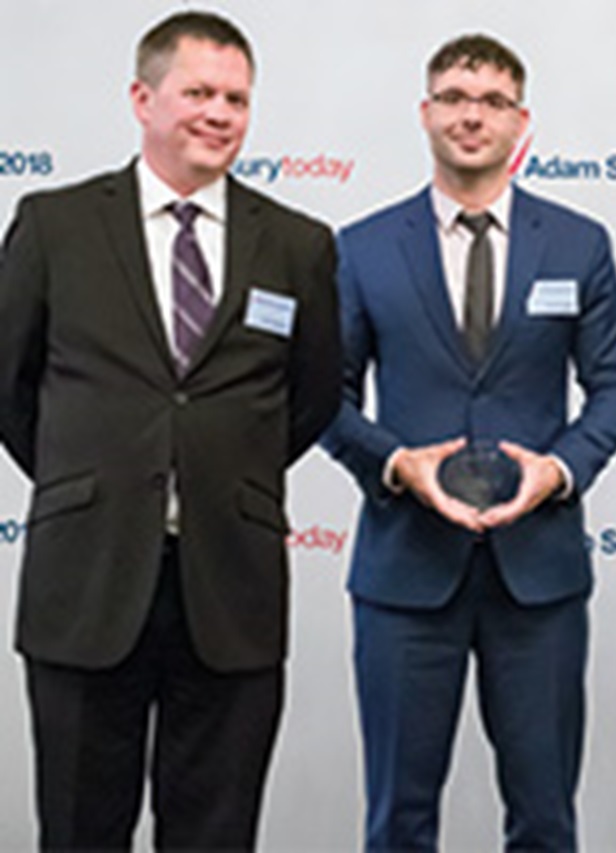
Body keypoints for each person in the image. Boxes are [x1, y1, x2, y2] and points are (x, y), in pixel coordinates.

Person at [0, 10, 340, 850]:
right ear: (142, 99)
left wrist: (220, 470)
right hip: (87, 582)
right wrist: (93, 478)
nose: (219, 113)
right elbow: (10, 386)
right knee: (79, 832)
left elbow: (311, 399)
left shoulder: (297, 245)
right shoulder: (54, 224)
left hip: (232, 587)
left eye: (236, 98)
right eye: (198, 93)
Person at [320, 33, 616, 852]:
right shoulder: (361, 247)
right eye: (456, 98)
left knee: (545, 819)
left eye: (493, 101)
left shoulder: (579, 244)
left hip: (539, 578)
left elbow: (615, 387)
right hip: (404, 573)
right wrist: (398, 464)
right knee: (398, 821)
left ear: (520, 121)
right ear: (426, 113)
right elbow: (323, 396)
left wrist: (560, 470)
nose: (472, 115)